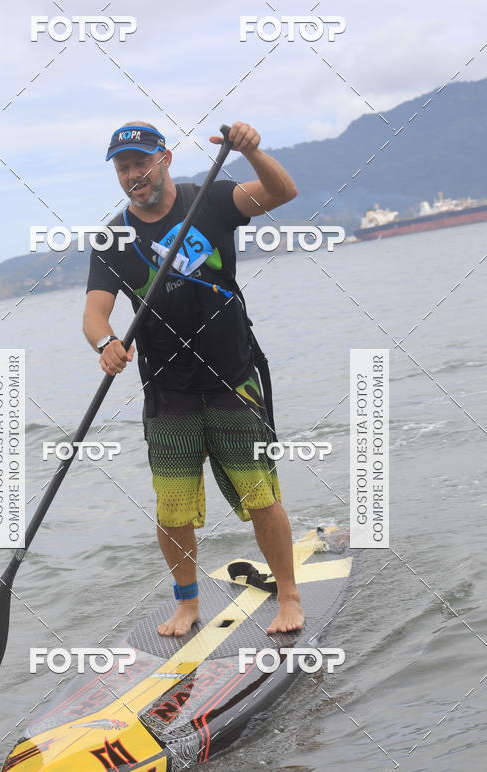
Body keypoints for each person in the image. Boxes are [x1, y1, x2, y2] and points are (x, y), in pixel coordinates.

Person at [84, 120, 302, 636]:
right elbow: (94, 315)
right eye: (123, 168)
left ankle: (289, 596)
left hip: (232, 378)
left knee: (260, 496)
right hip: (168, 389)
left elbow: (283, 192)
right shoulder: (113, 238)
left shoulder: (214, 198)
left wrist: (253, 151)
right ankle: (187, 603)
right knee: (172, 504)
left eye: (141, 162)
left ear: (165, 159)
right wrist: (105, 343)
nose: (134, 174)